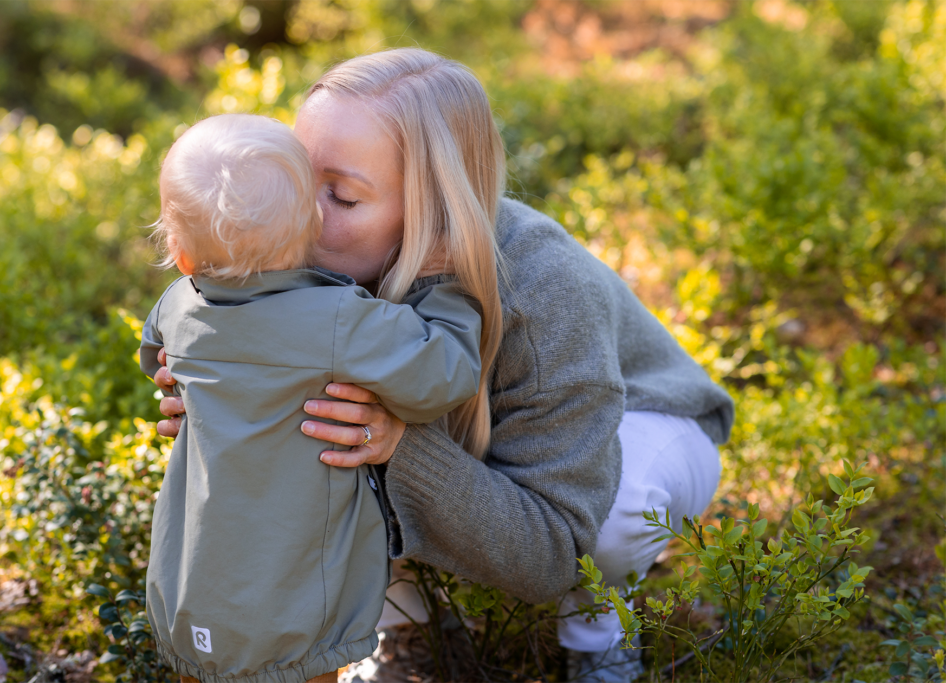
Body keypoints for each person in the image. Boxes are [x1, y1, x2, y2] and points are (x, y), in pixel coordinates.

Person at [153, 49, 734, 683]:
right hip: (474, 447)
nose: (299, 212)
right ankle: (405, 630)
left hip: (644, 427)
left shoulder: (542, 293)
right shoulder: (302, 260)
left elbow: (553, 551)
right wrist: (226, 400)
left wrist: (398, 447)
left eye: (341, 195)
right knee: (335, 433)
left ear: (432, 210)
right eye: (294, 174)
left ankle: (599, 637)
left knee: (614, 526)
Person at [139, 113, 486, 683]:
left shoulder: (178, 307)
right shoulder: (340, 321)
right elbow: (442, 376)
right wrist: (444, 289)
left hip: (191, 590)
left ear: (179, 253)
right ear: (310, 232)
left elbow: (156, 357)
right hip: (297, 600)